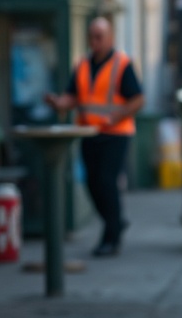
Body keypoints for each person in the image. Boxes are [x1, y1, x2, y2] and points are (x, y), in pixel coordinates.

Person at [44, 16, 144, 257]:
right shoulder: (82, 65)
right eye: (92, 36)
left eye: (100, 36)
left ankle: (111, 237)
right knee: (92, 183)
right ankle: (115, 221)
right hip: (89, 133)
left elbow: (138, 99)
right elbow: (73, 96)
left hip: (115, 134)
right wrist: (59, 103)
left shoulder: (122, 64)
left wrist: (118, 116)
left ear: (110, 38)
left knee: (107, 182)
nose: (95, 41)